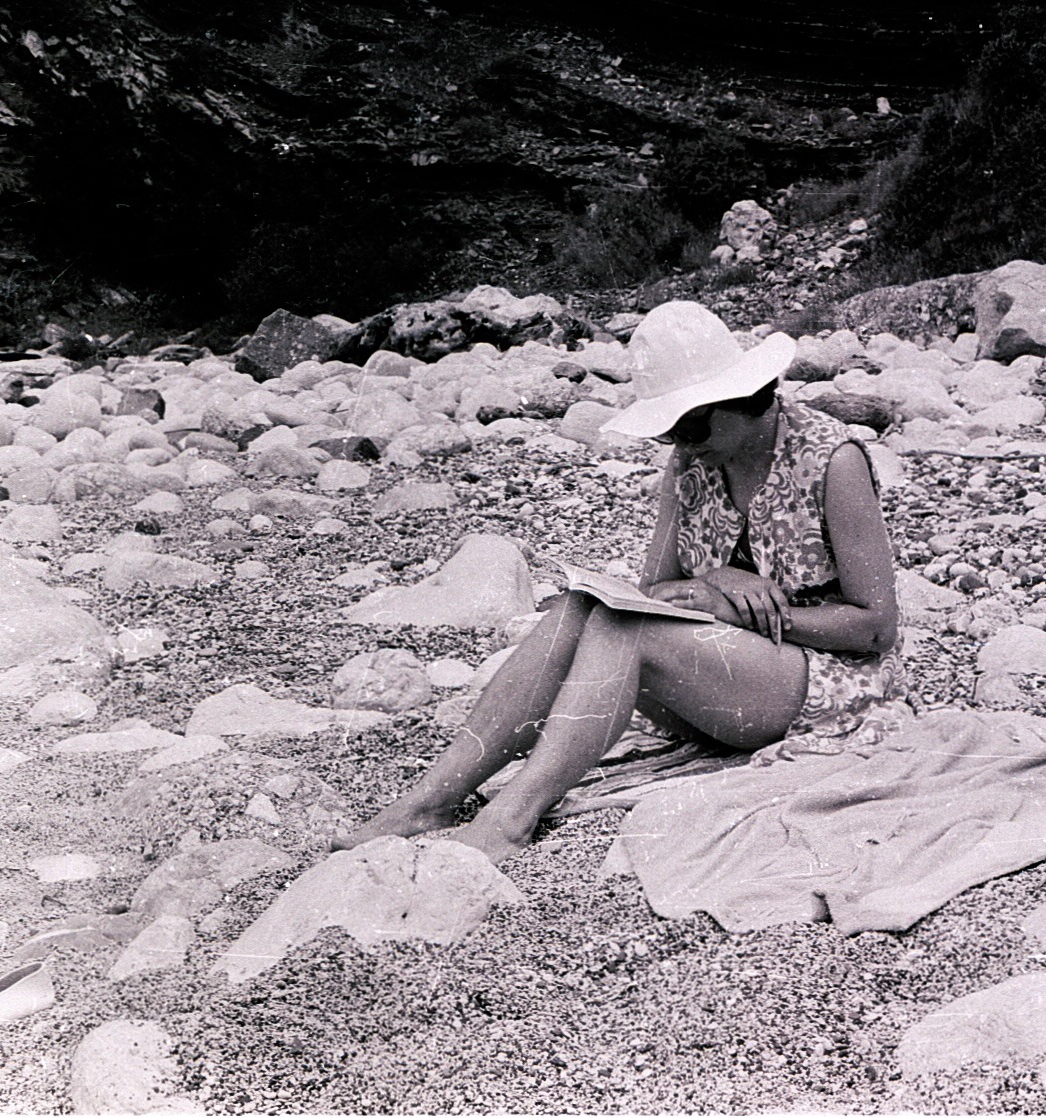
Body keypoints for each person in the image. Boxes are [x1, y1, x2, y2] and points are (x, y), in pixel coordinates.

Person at [333, 301, 906, 862]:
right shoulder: (693, 461)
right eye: (668, 432)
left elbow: (877, 628)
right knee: (578, 610)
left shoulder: (831, 460)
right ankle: (431, 800)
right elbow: (651, 593)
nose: (681, 443)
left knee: (626, 633)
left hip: (832, 685)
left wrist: (734, 613)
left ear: (743, 397)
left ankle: (512, 817)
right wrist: (716, 578)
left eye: (692, 425)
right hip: (730, 676)